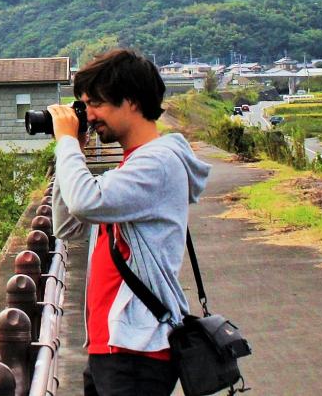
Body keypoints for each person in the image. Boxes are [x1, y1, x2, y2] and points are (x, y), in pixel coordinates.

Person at [48, 47, 211, 396]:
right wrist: (71, 147)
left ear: (132, 101)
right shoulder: (133, 164)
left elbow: (85, 200)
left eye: (97, 104)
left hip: (137, 349)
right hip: (113, 345)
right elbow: (67, 226)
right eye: (85, 105)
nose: (89, 115)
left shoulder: (157, 164)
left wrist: (65, 144)